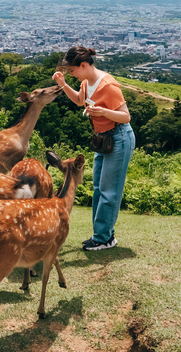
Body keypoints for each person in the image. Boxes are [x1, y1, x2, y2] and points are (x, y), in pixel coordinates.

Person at [52, 46, 135, 251]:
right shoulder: (86, 83)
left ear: (83, 65)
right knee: (98, 188)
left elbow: (126, 117)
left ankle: (103, 238)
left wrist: (103, 112)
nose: (71, 74)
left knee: (109, 191)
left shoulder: (107, 85)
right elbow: (80, 101)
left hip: (119, 137)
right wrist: (63, 85)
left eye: (72, 71)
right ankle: (103, 235)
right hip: (103, 139)